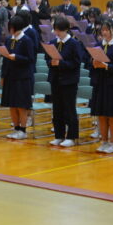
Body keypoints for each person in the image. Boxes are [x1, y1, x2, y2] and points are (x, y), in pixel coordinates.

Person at [91, 18, 113, 153]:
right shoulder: (98, 45)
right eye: (103, 30)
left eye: (107, 30)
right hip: (101, 83)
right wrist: (94, 63)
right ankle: (104, 141)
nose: (104, 32)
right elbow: (93, 64)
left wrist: (105, 66)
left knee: (112, 115)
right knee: (101, 114)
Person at [46, 16, 83, 147]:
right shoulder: (52, 42)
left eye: (59, 31)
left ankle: (71, 136)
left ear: (66, 29)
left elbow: (76, 63)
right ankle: (59, 135)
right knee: (57, 109)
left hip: (69, 81)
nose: (57, 33)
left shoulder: (74, 44)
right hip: (55, 79)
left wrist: (61, 64)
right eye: (55, 30)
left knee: (69, 109)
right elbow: (47, 58)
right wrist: (51, 62)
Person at [0, 15, 34, 140]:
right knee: (12, 104)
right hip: (10, 76)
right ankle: (16, 128)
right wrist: (3, 75)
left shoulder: (27, 40)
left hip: (23, 77)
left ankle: (23, 130)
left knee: (21, 105)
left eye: (10, 27)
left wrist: (17, 57)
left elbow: (30, 59)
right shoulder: (9, 40)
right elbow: (5, 59)